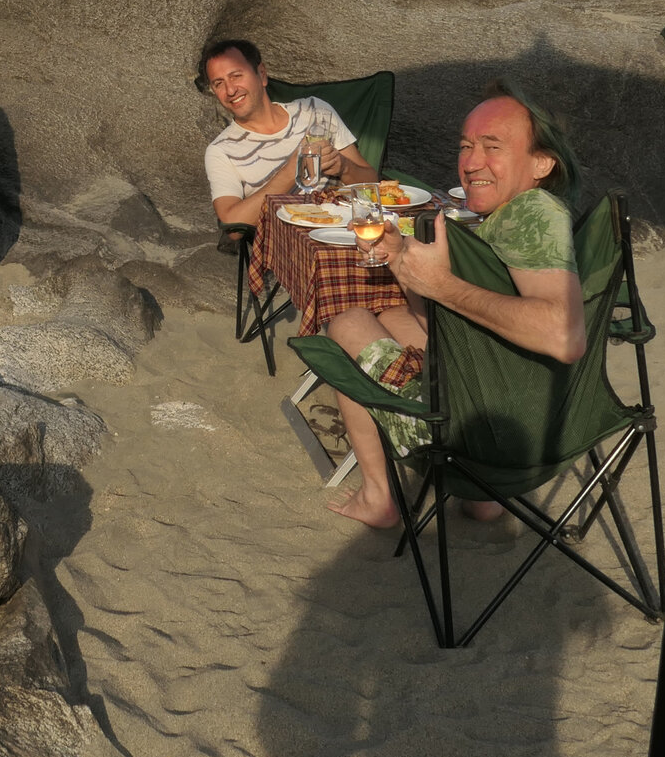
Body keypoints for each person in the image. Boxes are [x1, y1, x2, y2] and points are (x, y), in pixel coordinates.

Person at [322, 84, 586, 528]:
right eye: (466, 146)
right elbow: (436, 322)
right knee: (393, 317)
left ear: (542, 163)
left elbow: (563, 335)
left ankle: (378, 496)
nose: (471, 162)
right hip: (522, 404)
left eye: (493, 147)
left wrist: (443, 285)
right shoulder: (514, 213)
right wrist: (401, 258)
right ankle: (485, 499)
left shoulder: (534, 214)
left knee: (347, 323)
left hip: (485, 433)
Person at [199, 38, 378, 226]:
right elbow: (233, 226)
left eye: (236, 76)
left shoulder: (316, 112)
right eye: (219, 83)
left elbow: (372, 184)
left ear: (262, 74)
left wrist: (344, 167)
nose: (230, 90)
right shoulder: (221, 151)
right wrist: (293, 170)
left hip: (344, 229)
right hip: (287, 239)